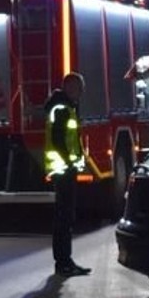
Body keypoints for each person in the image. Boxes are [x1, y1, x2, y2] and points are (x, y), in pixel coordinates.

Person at [44, 72, 91, 277]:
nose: (81, 92)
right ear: (70, 88)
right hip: (63, 170)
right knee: (65, 218)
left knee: (64, 217)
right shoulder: (62, 108)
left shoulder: (65, 105)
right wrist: (71, 162)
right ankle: (64, 263)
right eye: (79, 88)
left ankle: (65, 261)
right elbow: (58, 140)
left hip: (65, 169)